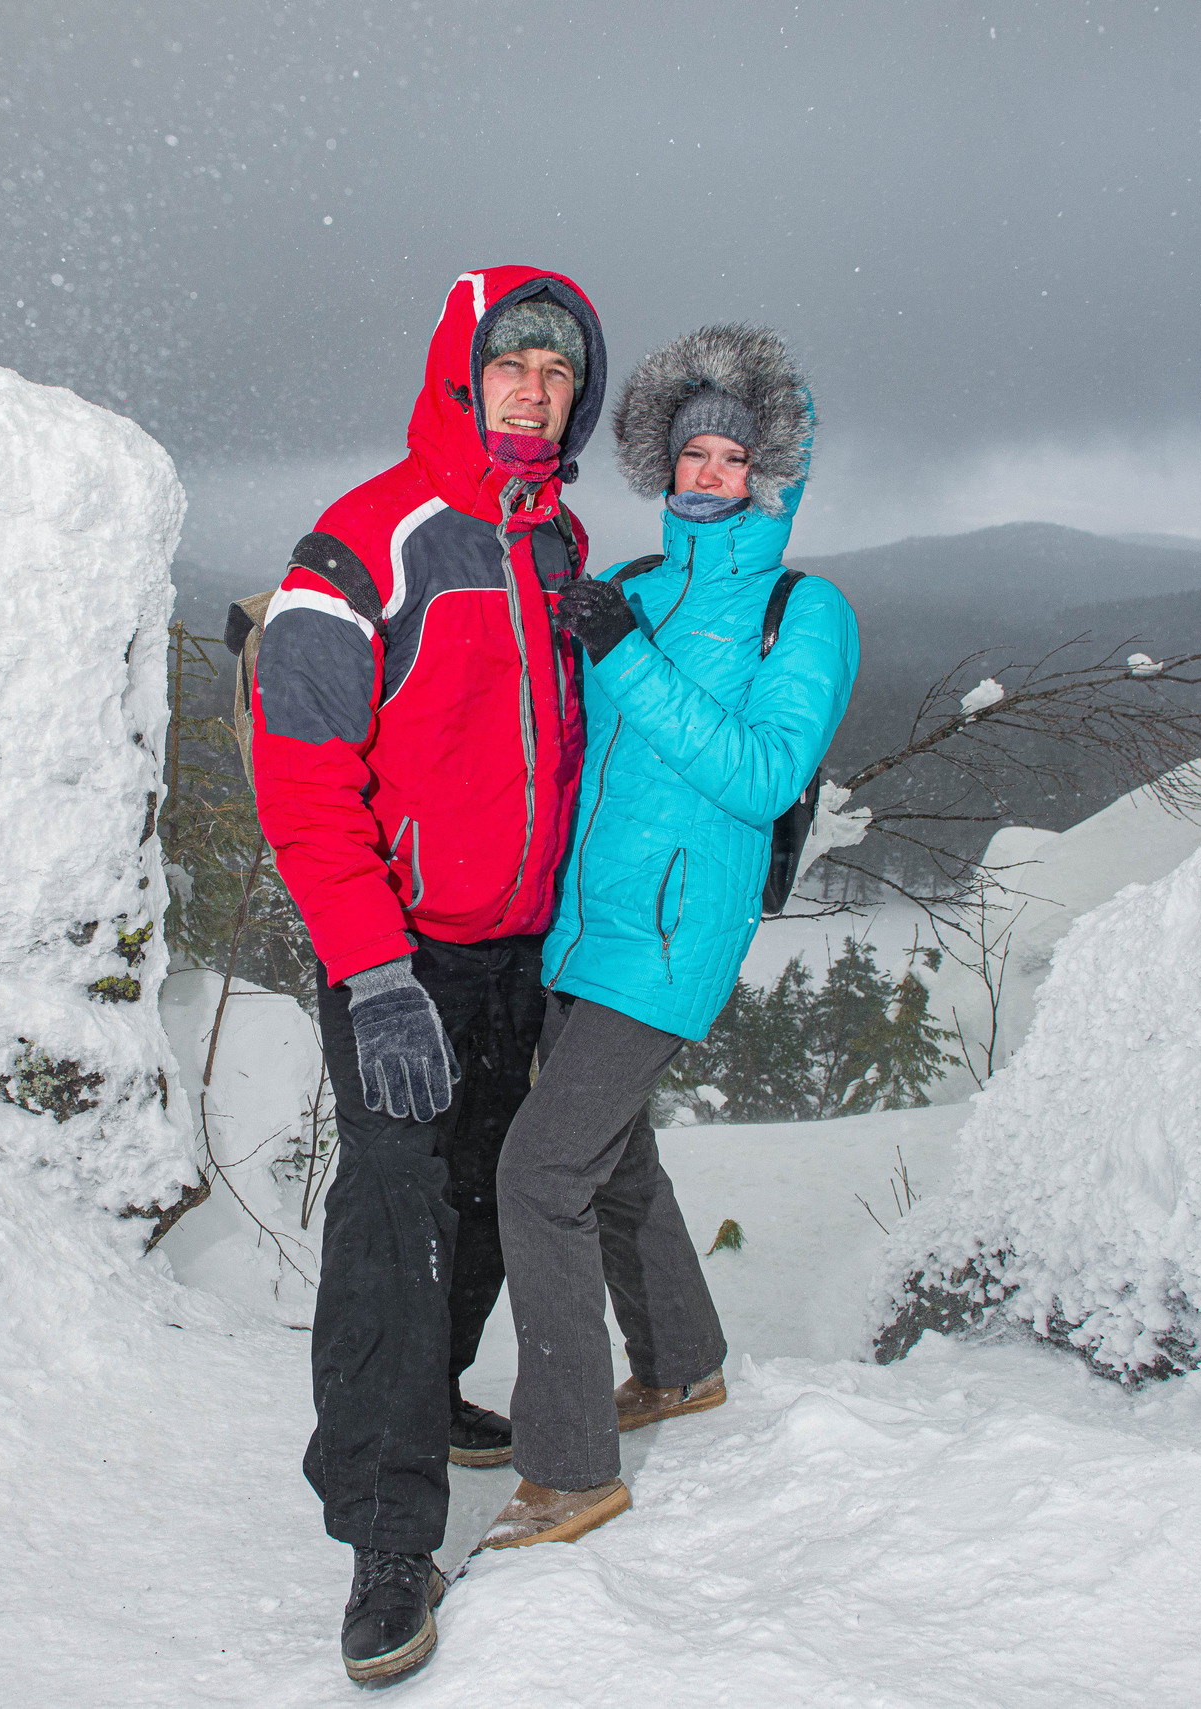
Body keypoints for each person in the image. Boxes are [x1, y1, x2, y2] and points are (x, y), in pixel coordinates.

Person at [247, 266, 607, 1686]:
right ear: (465, 370)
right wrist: (374, 971)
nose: (533, 388)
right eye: (513, 364)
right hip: (398, 951)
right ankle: (387, 1541)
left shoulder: (561, 543)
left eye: (558, 374)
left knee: (494, 1195)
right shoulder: (361, 543)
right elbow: (304, 781)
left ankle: (433, 1391)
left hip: (522, 950)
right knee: (398, 1220)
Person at [476, 324, 859, 1553]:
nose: (707, 474)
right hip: (579, 928)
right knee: (612, 1152)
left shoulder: (805, 613)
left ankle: (571, 1468)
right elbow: (530, 707)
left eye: (730, 457)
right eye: (689, 452)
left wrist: (626, 658)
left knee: (541, 1175)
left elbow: (760, 773)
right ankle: (683, 1363)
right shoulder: (633, 585)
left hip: (676, 936)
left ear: (771, 472)